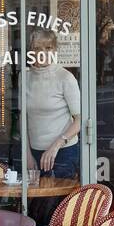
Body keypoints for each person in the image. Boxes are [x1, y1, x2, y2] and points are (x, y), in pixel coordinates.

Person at [22, 29, 81, 181]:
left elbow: (81, 120)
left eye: (48, 48)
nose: (43, 52)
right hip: (34, 152)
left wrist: (56, 146)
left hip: (62, 153)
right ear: (30, 51)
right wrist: (27, 154)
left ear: (55, 50)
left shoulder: (65, 78)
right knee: (37, 202)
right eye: (37, 48)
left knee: (59, 203)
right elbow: (24, 117)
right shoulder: (25, 77)